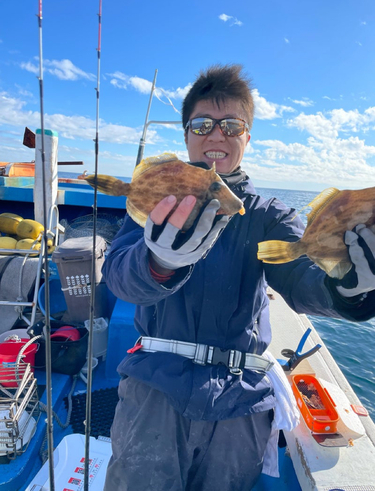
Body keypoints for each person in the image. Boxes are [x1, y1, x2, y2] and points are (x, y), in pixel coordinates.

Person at [103, 64, 375, 490]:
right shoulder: (159, 200)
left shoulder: (268, 215)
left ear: (247, 136)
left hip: (240, 398)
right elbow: (119, 278)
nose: (217, 135)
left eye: (232, 125)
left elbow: (301, 279)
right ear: (187, 134)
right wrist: (157, 261)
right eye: (202, 124)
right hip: (154, 387)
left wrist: (347, 290)